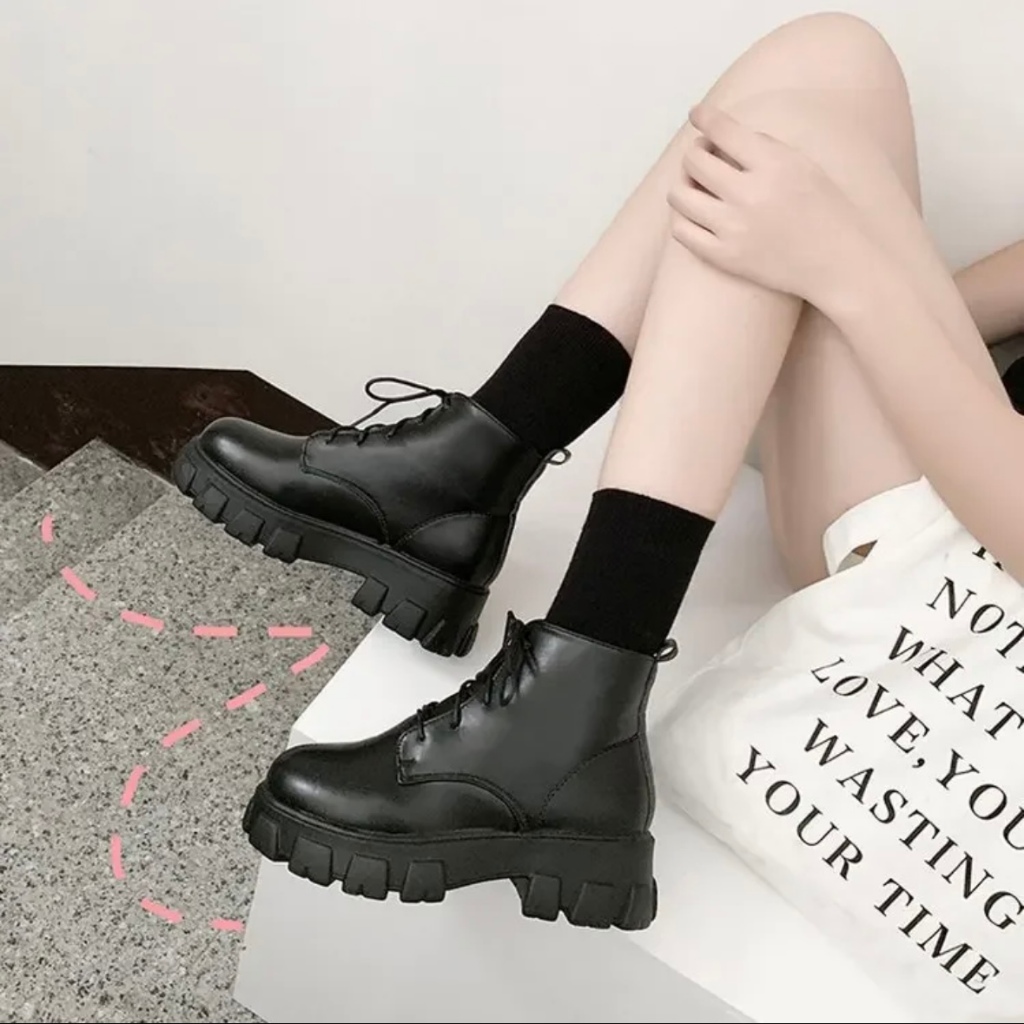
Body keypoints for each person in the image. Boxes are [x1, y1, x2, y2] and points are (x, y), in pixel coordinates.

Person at [175, 13, 1024, 934]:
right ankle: (469, 467)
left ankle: (572, 691)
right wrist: (824, 284)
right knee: (828, 61)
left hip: (975, 583)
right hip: (966, 465)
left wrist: (845, 270)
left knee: (796, 145)